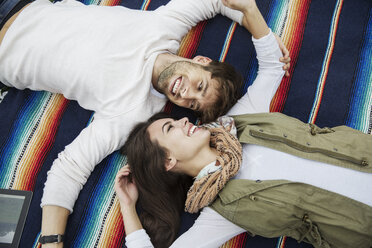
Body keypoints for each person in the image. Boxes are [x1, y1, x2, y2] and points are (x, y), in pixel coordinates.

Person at [0, 0, 291, 246]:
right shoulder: (166, 25)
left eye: (191, 105)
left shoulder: (133, 113)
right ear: (201, 60)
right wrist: (260, 30)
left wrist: (52, 241)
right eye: (199, 86)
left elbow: (70, 168)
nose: (185, 94)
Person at [115, 1, 372, 247]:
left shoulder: (238, 119)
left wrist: (249, 9)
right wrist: (127, 207)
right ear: (168, 162)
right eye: (170, 128)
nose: (184, 119)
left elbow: (272, 67)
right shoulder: (223, 212)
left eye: (176, 118)